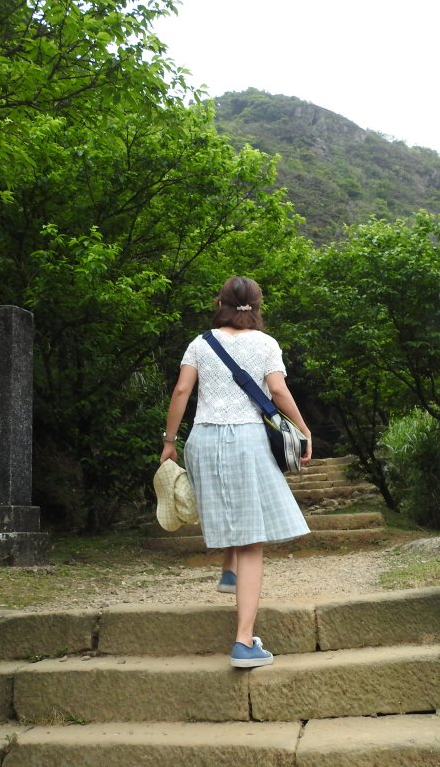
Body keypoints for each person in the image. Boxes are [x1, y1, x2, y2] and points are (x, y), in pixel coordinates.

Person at [160, 276, 312, 668]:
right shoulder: (265, 344)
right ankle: (244, 642)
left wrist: (169, 441)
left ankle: (229, 571)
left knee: (231, 505)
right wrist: (304, 429)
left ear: (221, 303)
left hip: (204, 440)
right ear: (258, 305)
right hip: (246, 439)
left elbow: (181, 392)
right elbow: (277, 392)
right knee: (252, 540)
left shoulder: (201, 342)